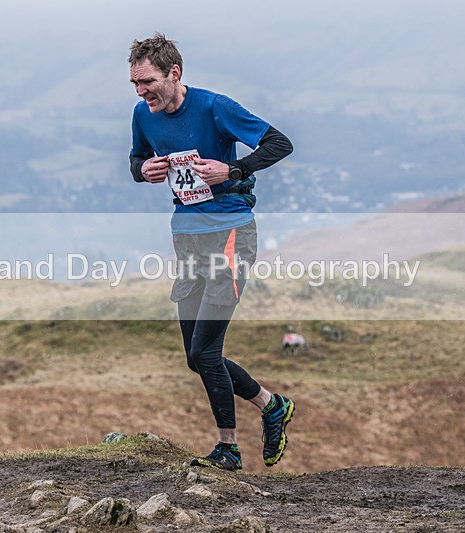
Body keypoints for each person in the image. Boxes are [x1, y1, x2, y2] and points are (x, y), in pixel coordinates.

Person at [128, 33, 295, 471]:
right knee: (195, 357)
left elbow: (279, 143)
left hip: (230, 234)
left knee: (206, 352)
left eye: (147, 82)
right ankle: (272, 405)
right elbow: (135, 160)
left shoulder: (215, 106)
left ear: (174, 73)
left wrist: (233, 168)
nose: (141, 92)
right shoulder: (143, 115)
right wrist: (142, 170)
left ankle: (228, 448)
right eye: (135, 84)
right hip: (186, 236)